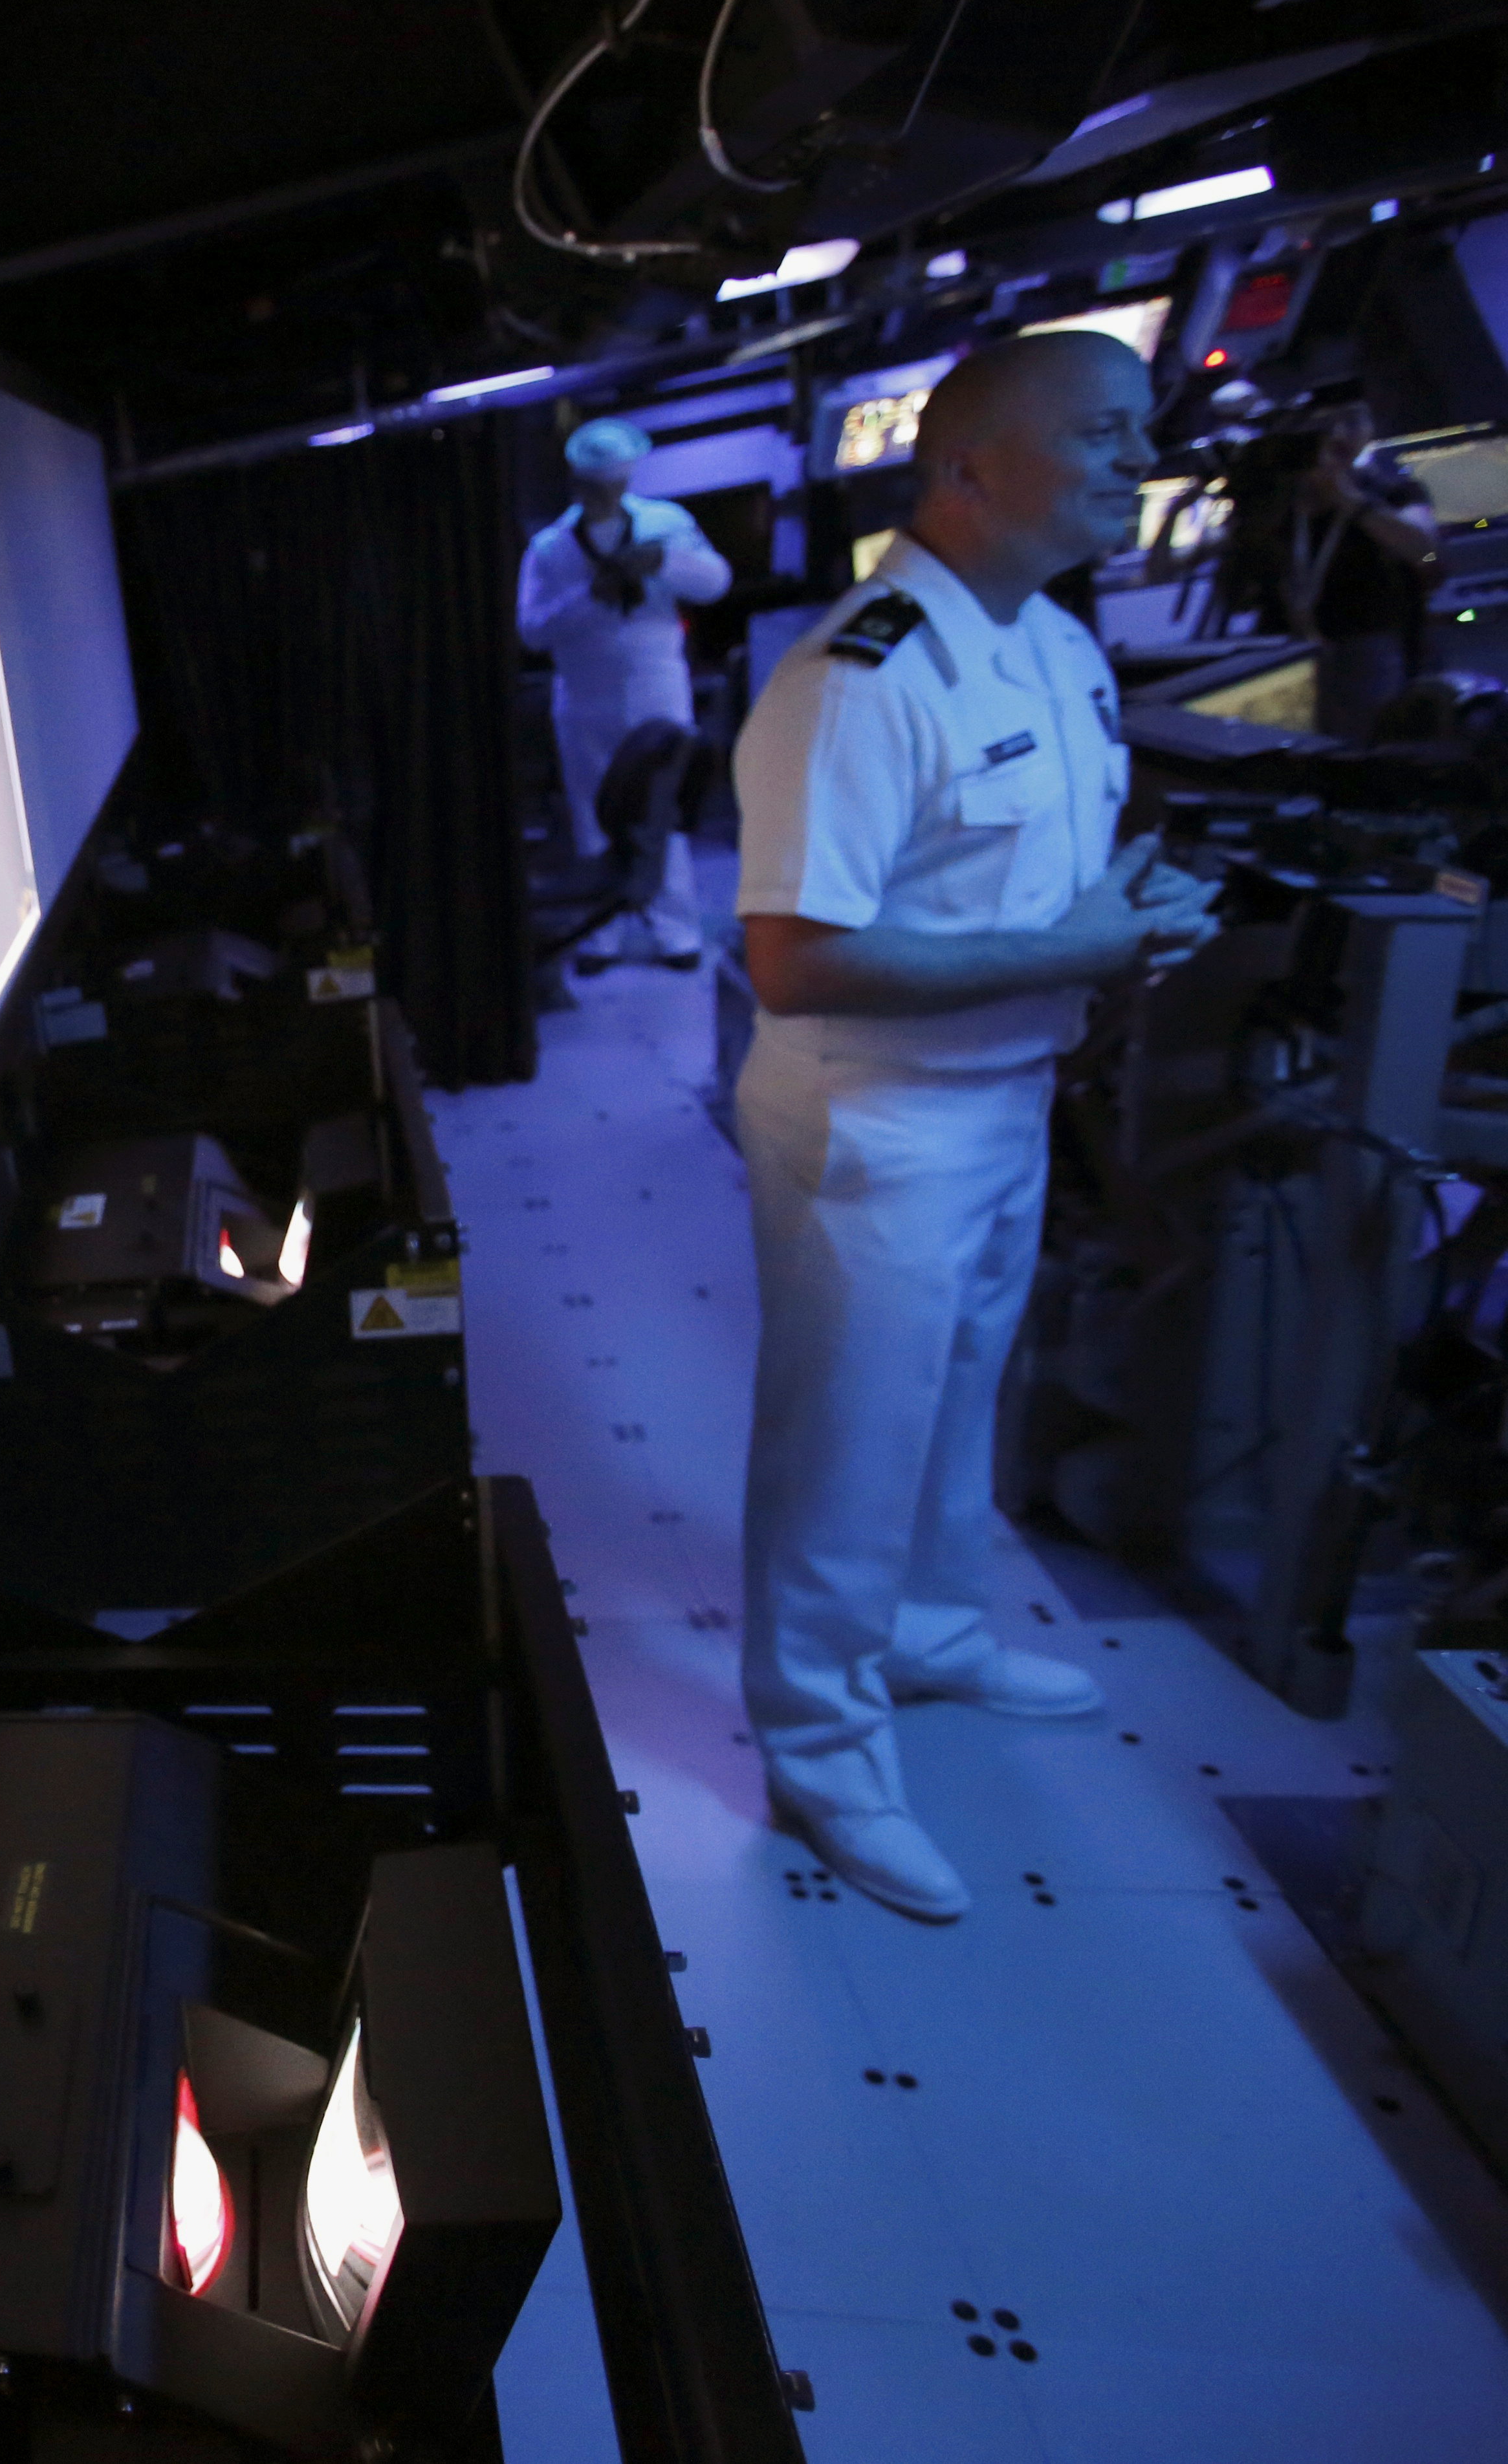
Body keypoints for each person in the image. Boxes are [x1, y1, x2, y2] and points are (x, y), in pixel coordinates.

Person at [730, 331, 1220, 1919]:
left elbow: (1030, 894)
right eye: (1099, 432)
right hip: (876, 1117)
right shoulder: (855, 677)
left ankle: (931, 1629)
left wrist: (1129, 915)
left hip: (1001, 1095)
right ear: (966, 467)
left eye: (1138, 431)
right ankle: (818, 1743)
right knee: (847, 1441)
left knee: (954, 1397)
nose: (1136, 461)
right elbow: (794, 954)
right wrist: (1078, 950)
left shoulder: (1055, 647)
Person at [517, 416, 734, 968]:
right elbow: (533, 629)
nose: (608, 492)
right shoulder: (550, 548)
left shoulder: (666, 523)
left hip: (657, 684)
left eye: (617, 481)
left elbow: (716, 582)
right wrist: (592, 596)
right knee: (592, 813)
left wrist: (663, 561)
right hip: (584, 695)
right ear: (578, 482)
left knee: (662, 807)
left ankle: (675, 930)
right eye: (597, 483)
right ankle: (601, 935)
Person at [1286, 401, 1440, 743]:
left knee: (1371, 746)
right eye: (1326, 423)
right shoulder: (1285, 503)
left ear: (1371, 428)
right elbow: (1169, 570)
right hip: (1287, 653)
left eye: (1353, 420)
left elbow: (1425, 549)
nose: (1339, 433)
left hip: (1372, 645)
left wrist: (1347, 498)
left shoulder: (1392, 489)